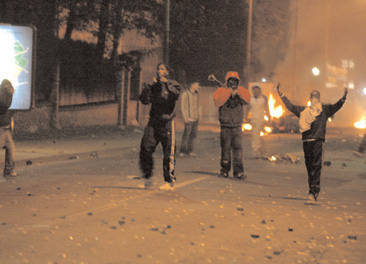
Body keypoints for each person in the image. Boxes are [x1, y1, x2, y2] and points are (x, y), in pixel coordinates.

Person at [277, 83, 347, 202]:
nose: (314, 99)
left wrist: (343, 98)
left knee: (316, 166)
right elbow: (291, 107)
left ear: (318, 99)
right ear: (310, 99)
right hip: (306, 142)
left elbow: (336, 106)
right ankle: (312, 189)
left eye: (316, 97)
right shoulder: (305, 111)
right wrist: (281, 95)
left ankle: (313, 191)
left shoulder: (324, 110)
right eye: (312, 96)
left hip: (318, 142)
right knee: (309, 167)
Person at [138, 63, 182, 191]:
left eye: (162, 69)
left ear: (167, 72)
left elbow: (176, 94)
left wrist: (165, 83)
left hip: (167, 122)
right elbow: (144, 100)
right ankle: (148, 177)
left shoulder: (173, 83)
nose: (159, 71)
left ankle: (169, 180)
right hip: (153, 122)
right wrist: (150, 86)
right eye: (158, 69)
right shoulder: (153, 85)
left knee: (168, 152)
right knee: (145, 148)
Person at [213, 71, 251, 179]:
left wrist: (237, 93)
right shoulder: (221, 91)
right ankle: (224, 170)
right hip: (225, 125)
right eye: (230, 80)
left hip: (237, 126)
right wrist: (229, 92)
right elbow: (217, 102)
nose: (233, 82)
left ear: (238, 82)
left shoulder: (242, 91)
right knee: (225, 149)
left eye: (235, 81)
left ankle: (238, 172)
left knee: (238, 149)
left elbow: (247, 99)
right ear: (227, 81)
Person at [245, 85, 271, 158]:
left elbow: (267, 108)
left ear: (259, 90)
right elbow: (248, 108)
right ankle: (263, 151)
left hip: (261, 120)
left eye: (257, 90)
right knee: (256, 135)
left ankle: (255, 151)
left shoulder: (264, 98)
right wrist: (246, 117)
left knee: (255, 135)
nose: (255, 91)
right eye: (254, 90)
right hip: (253, 120)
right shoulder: (251, 99)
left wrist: (269, 118)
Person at [0, 79, 17, 180]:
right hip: (1, 128)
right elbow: (5, 106)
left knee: (11, 149)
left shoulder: (4, 95)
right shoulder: (2, 96)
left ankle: (8, 170)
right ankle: (8, 170)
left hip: (5, 128)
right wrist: (10, 94)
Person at [179, 82, 200, 158]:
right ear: (192, 85)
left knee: (193, 135)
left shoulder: (197, 94)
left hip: (195, 118)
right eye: (197, 85)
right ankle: (182, 151)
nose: (198, 86)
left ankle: (190, 151)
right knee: (186, 135)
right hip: (188, 118)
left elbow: (197, 106)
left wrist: (198, 116)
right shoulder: (185, 94)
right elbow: (183, 106)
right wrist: (185, 117)